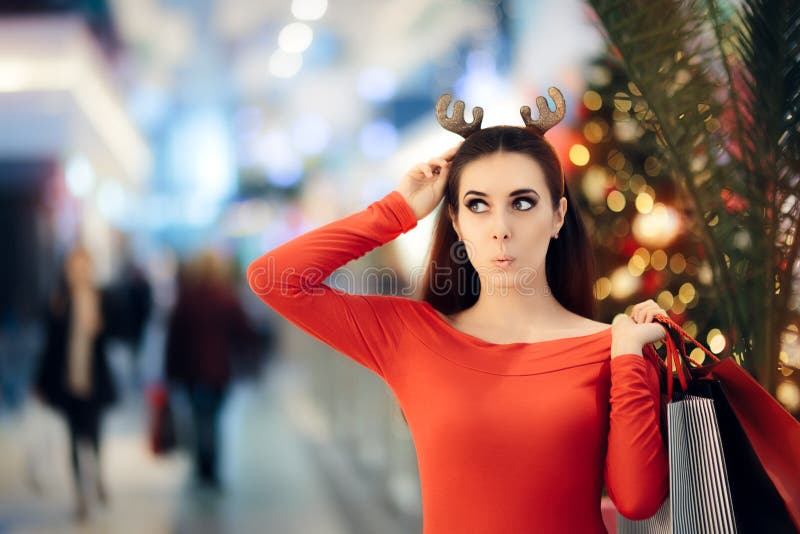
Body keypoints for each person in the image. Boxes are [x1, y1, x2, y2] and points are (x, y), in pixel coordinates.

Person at [246, 88, 670, 533]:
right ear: (455, 220)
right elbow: (273, 278)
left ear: (558, 216)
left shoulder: (611, 347)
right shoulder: (411, 336)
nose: (500, 229)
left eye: (522, 203)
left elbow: (637, 501)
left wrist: (627, 360)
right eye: (478, 205)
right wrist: (398, 209)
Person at [34, 246, 117, 521]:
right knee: (72, 438)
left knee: (93, 436)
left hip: (94, 381)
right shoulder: (59, 301)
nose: (79, 271)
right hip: (68, 381)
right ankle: (81, 494)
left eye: (84, 266)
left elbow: (120, 331)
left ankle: (97, 478)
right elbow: (50, 347)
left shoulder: (102, 298)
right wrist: (40, 382)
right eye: (74, 266)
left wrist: (102, 326)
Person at [164, 250, 258, 489]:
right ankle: (211, 468)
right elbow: (244, 332)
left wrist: (171, 371)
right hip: (219, 370)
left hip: (192, 371)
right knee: (213, 420)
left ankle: (202, 467)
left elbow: (174, 338)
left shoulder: (187, 299)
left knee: (199, 418)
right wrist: (250, 360)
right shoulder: (225, 297)